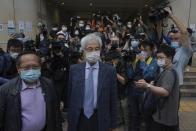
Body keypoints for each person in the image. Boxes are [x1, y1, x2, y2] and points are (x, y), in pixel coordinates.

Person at [68, 33, 118, 131]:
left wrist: (113, 125)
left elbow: (113, 99)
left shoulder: (109, 71)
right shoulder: (74, 70)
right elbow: (70, 96)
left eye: (97, 49)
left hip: (100, 117)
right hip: (79, 117)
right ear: (83, 51)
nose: (94, 52)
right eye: (90, 49)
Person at [0, 51, 62, 131]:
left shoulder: (48, 84)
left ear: (40, 67)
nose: (31, 70)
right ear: (18, 69)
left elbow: (55, 113)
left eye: (35, 67)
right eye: (26, 67)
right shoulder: (5, 90)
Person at [136, 44, 179, 131]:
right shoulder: (166, 71)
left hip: (164, 118)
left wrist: (148, 86)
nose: (159, 60)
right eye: (158, 58)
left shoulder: (169, 73)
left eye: (161, 58)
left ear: (170, 58)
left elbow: (165, 91)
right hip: (162, 116)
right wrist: (152, 85)